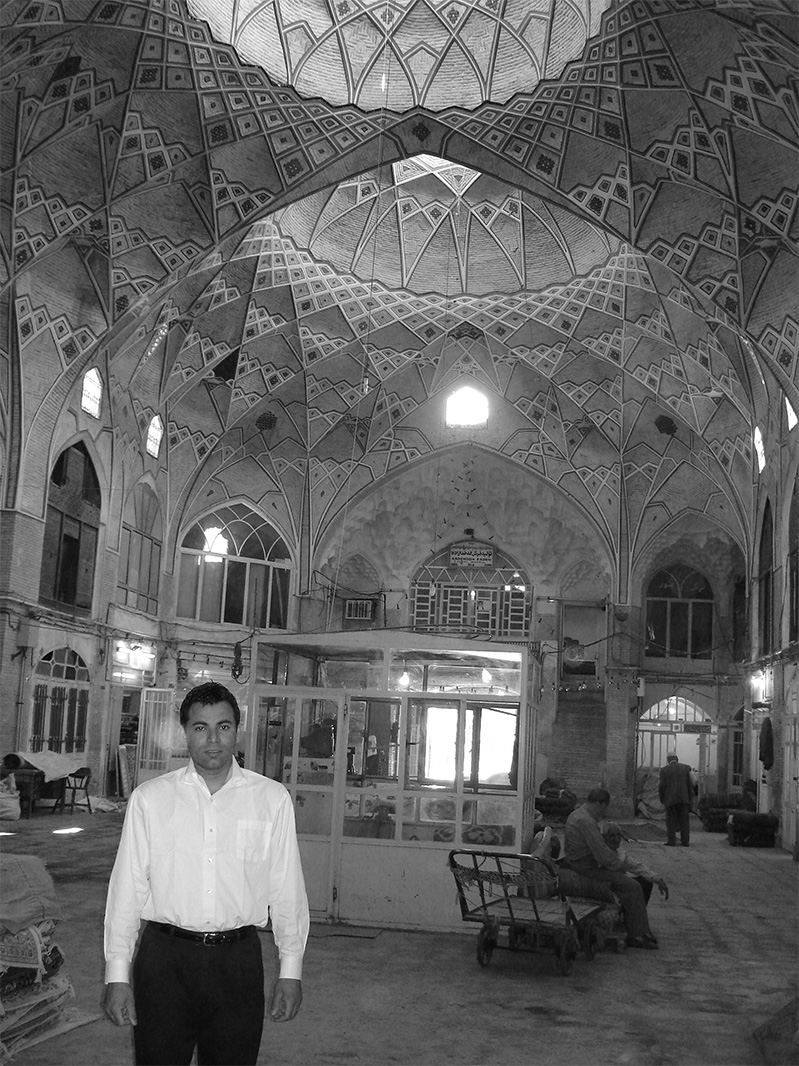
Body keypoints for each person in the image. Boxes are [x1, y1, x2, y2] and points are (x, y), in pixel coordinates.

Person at [102, 681, 309, 1066]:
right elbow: (126, 890)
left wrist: (291, 969)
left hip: (238, 964)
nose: (213, 739)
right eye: (201, 727)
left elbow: (287, 890)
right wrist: (117, 975)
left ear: (237, 730)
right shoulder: (151, 799)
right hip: (164, 961)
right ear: (185, 732)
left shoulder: (270, 799)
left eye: (223, 726)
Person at [563, 787, 658, 949]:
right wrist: (620, 865)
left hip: (583, 864)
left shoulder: (578, 815)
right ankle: (636, 935)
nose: (604, 812)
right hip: (586, 868)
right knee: (633, 886)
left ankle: (638, 928)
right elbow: (603, 855)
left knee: (634, 880)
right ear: (600, 804)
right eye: (605, 807)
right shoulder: (586, 821)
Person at [601, 822, 669, 907]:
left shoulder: (619, 853)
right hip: (605, 888)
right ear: (604, 837)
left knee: (645, 882)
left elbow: (638, 867)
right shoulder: (600, 853)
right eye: (612, 836)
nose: (616, 839)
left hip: (618, 885)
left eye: (618, 835)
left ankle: (638, 912)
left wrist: (658, 880)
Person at [658, 752, 697, 846]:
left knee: (671, 821)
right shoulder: (686, 768)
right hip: (684, 799)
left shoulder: (664, 770)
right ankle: (685, 842)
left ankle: (671, 841)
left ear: (668, 760)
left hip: (670, 799)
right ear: (677, 758)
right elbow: (694, 781)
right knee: (684, 821)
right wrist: (690, 797)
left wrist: (662, 798)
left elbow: (662, 786)